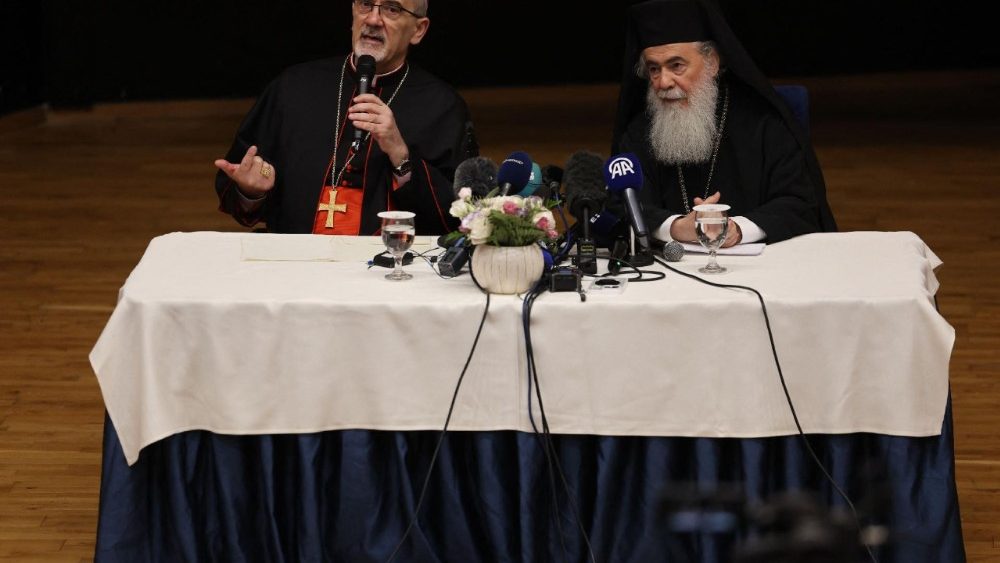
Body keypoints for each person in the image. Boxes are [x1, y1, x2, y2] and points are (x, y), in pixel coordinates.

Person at [214, 0, 476, 236]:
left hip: (387, 271)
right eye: (365, 5)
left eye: (392, 9)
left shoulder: (443, 106)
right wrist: (252, 191)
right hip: (294, 265)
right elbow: (238, 186)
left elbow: (462, 216)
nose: (373, 20)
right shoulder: (293, 87)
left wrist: (400, 154)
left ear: (418, 30)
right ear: (353, 13)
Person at [613, 0, 837, 247]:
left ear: (712, 63)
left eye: (676, 66)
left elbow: (799, 202)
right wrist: (676, 227)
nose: (663, 82)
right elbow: (620, 204)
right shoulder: (640, 131)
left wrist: (736, 230)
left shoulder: (763, 121)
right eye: (654, 69)